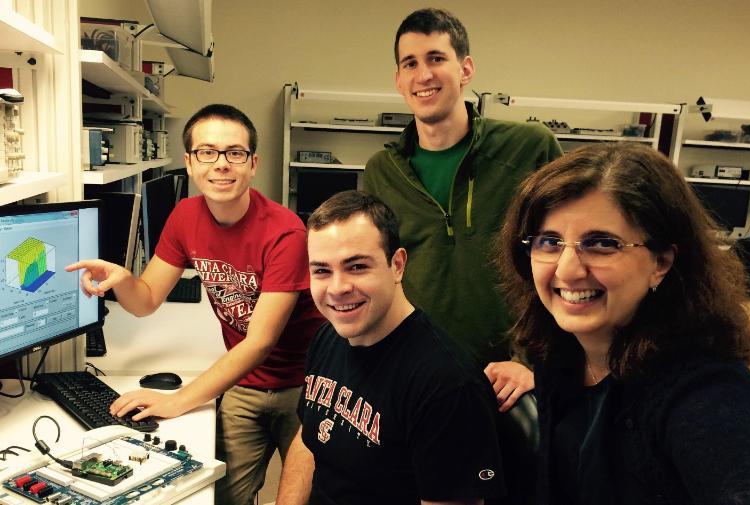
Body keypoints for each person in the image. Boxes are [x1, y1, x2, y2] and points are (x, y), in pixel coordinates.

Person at [66, 104, 324, 504]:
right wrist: (122, 280)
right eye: (207, 152)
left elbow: (260, 342)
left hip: (307, 385)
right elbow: (147, 299)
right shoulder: (186, 216)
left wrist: (179, 400)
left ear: (252, 163)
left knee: (305, 497)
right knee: (221, 497)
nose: (221, 164)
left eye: (234, 152)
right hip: (244, 383)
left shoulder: (285, 232)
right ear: (189, 162)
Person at [496, 142, 750, 505]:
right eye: (549, 242)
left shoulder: (706, 391)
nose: (567, 269)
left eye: (602, 243)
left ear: (661, 262)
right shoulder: (563, 357)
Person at [363, 7, 563, 412]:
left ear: (465, 68)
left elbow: (566, 257)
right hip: (420, 376)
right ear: (399, 80)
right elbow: (378, 275)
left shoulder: (529, 148)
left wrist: (533, 364)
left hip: (509, 380)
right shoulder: (381, 171)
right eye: (411, 63)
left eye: (437, 58)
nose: (424, 75)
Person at [276, 190, 505, 505]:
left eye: (356, 267)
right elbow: (308, 439)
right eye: (322, 271)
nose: (338, 288)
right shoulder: (327, 338)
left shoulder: (446, 385)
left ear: (397, 265)